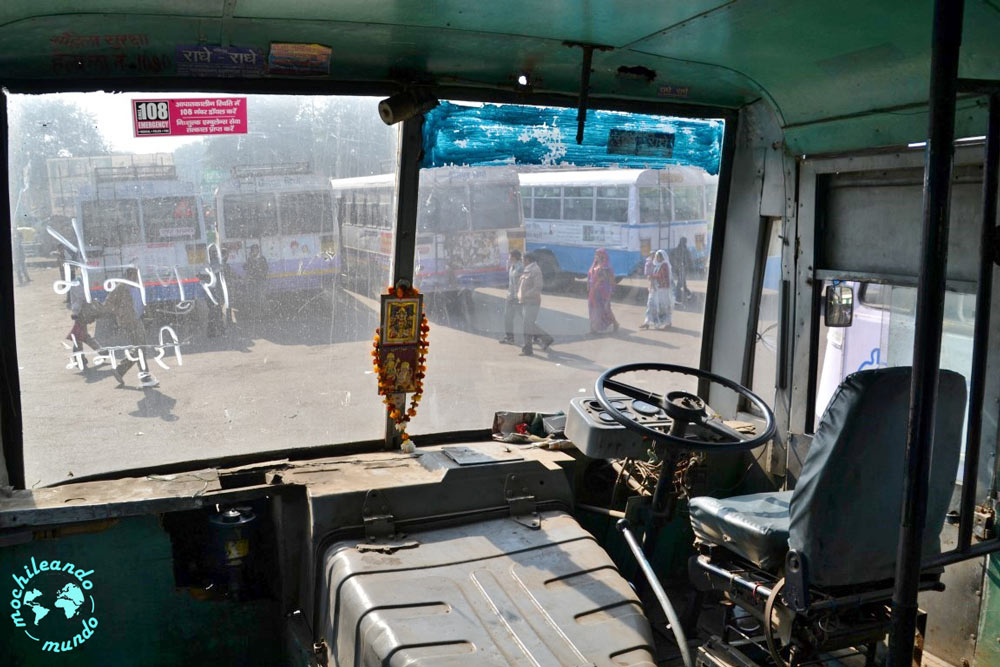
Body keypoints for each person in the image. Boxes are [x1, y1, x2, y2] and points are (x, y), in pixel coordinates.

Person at [105, 267, 158, 387]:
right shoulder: (121, 287)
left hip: (138, 320)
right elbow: (108, 303)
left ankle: (121, 370)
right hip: (130, 321)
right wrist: (120, 313)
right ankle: (144, 376)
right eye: (135, 275)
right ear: (129, 275)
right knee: (140, 348)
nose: (137, 277)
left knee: (140, 348)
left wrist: (148, 315)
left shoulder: (136, 286)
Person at [517, 252, 554, 356]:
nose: (522, 261)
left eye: (523, 259)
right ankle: (546, 338)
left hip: (532, 301)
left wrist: (526, 295)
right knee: (528, 324)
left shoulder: (535, 270)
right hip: (526, 301)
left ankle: (528, 349)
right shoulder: (528, 269)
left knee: (527, 326)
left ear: (528, 260)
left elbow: (538, 286)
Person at [66, 267, 103, 368]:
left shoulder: (77, 282)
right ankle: (100, 353)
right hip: (83, 313)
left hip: (81, 313)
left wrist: (75, 313)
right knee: (81, 336)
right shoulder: (81, 282)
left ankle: (82, 359)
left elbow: (79, 299)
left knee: (80, 336)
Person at [587, 248, 618, 335]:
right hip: (593, 292)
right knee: (592, 309)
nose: (595, 256)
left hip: (602, 292)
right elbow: (590, 277)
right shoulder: (594, 265)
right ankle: (593, 328)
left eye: (597, 254)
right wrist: (589, 287)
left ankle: (615, 323)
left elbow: (608, 279)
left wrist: (611, 291)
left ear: (602, 256)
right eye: (595, 254)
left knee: (605, 309)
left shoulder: (605, 267)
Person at [640, 249, 672, 330]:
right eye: (657, 256)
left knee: (663, 306)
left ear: (663, 257)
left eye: (659, 257)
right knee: (650, 304)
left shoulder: (665, 265)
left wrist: (652, 276)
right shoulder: (655, 264)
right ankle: (647, 322)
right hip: (654, 288)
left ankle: (667, 322)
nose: (658, 258)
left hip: (662, 290)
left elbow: (662, 276)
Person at [498, 249, 524, 345]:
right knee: (507, 317)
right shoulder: (512, 267)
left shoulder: (521, 268)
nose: (508, 258)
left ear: (513, 257)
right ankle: (509, 337)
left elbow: (523, 283)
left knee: (525, 319)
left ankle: (543, 337)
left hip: (517, 298)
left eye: (509, 256)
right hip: (510, 297)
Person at [244, 244, 269, 323]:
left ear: (258, 250)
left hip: (261, 281)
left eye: (256, 249)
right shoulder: (249, 259)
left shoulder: (262, 258)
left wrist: (261, 274)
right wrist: (251, 259)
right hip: (252, 281)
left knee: (261, 297)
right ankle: (254, 314)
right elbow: (245, 267)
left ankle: (264, 313)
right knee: (253, 298)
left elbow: (266, 268)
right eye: (253, 250)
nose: (255, 251)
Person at [669, 237, 694, 304]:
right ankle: (688, 294)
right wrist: (674, 263)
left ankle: (678, 299)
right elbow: (671, 256)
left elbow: (690, 260)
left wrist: (688, 266)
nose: (683, 242)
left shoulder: (686, 251)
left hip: (683, 269)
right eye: (682, 241)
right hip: (678, 269)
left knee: (679, 284)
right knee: (683, 283)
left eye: (684, 241)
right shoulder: (676, 250)